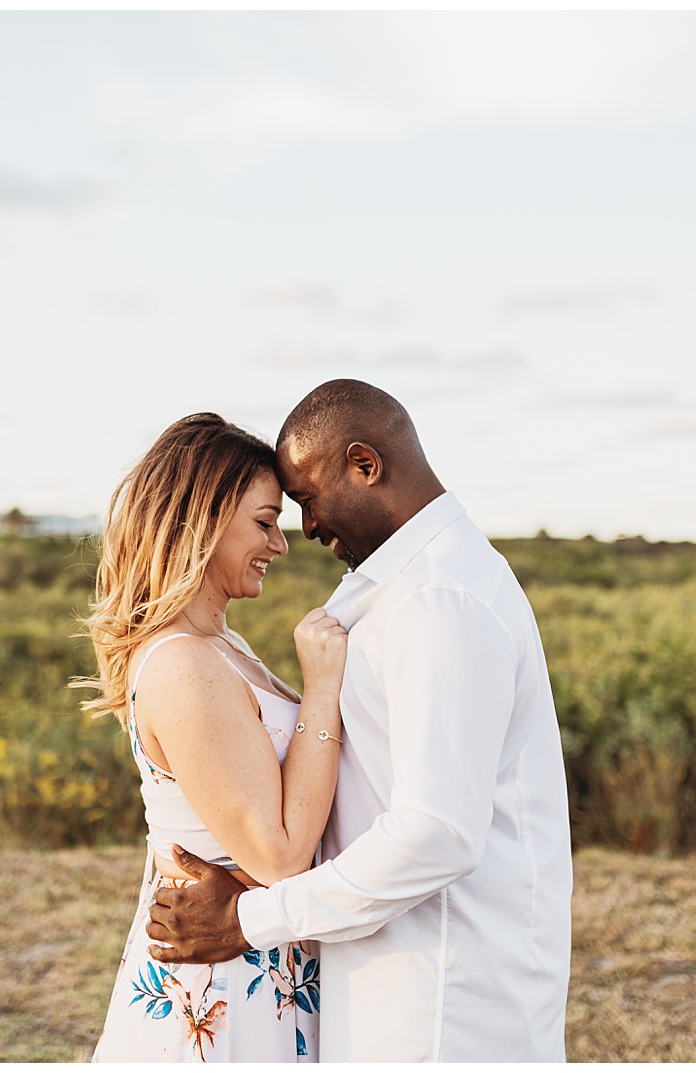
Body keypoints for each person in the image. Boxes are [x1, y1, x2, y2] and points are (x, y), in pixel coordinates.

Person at [144, 380, 573, 1062]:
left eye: (308, 501)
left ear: (365, 465)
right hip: (387, 975)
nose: (304, 530)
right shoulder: (401, 586)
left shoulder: (440, 599)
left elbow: (437, 831)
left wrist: (250, 916)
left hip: (442, 999)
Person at [77, 412, 349, 1062]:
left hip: (257, 954)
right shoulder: (183, 663)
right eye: (263, 522)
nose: (280, 545)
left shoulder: (219, 644)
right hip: (224, 981)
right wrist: (323, 685)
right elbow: (278, 854)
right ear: (200, 520)